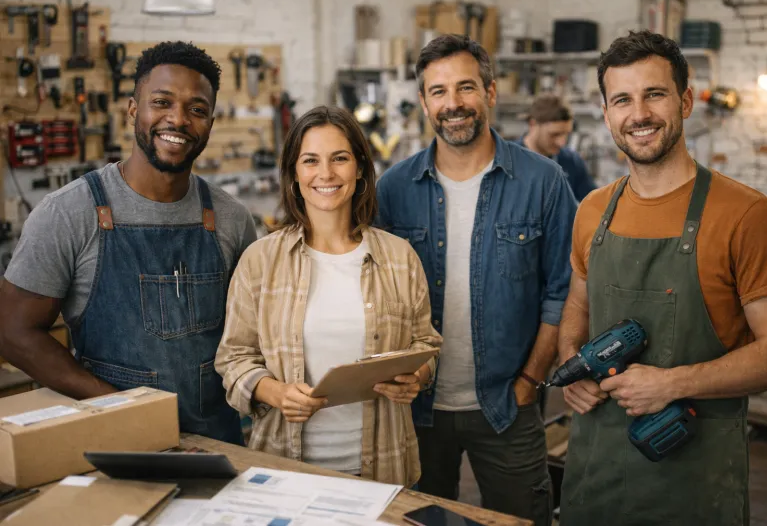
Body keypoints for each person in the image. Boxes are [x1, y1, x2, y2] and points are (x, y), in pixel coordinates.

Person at [557, 30, 767, 526]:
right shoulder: (592, 211)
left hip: (693, 479)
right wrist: (570, 365)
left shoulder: (748, 215)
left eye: (655, 94)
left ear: (685, 101)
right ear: (606, 114)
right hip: (594, 473)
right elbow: (578, 309)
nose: (639, 114)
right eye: (622, 99)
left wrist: (670, 384)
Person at [0, 41, 257, 444]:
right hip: (116, 443)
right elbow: (12, 331)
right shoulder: (69, 213)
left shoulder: (230, 218)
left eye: (197, 109)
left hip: (218, 446)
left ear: (210, 122)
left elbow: (249, 337)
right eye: (162, 102)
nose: (178, 119)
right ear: (133, 109)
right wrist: (117, 404)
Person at [376, 34, 577, 524]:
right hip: (415, 411)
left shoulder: (544, 181)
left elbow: (565, 291)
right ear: (424, 102)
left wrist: (530, 381)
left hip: (508, 405)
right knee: (417, 521)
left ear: (490, 92)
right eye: (439, 91)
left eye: (465, 88)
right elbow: (375, 295)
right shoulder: (392, 188)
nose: (453, 104)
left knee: (523, 519)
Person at [214, 105, 441, 487]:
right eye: (310, 161)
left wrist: (416, 375)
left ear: (360, 170)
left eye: (340, 158)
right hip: (285, 471)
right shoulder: (261, 260)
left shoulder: (400, 257)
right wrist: (277, 392)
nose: (326, 174)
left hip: (385, 468)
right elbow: (234, 358)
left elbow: (426, 343)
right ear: (294, 174)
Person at [517, 94, 596, 201]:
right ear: (533, 124)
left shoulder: (571, 161)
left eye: (566, 134)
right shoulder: (508, 161)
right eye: (554, 135)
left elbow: (594, 205)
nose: (561, 143)